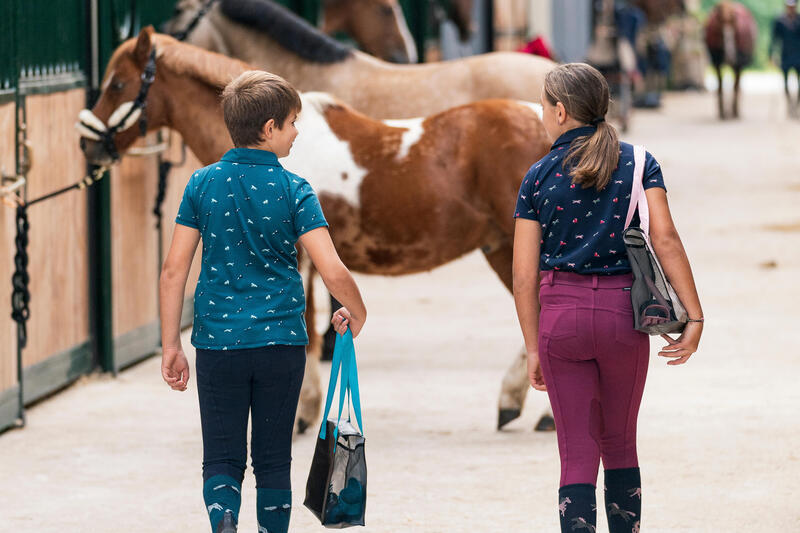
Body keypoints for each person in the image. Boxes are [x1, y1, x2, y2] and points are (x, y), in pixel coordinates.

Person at [158, 70, 367, 533]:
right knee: (273, 458)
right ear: (270, 129)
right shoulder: (295, 191)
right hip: (280, 345)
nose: (297, 132)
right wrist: (359, 310)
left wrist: (171, 343)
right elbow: (331, 269)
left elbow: (174, 269)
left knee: (222, 455)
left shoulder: (201, 184)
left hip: (217, 344)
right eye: (293, 122)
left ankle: (224, 522)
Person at [512, 63, 703, 532]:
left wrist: (534, 346)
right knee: (620, 443)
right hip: (623, 316)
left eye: (542, 105)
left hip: (562, 319)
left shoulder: (536, 177)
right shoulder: (640, 162)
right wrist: (693, 315)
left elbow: (523, 275)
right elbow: (667, 239)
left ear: (559, 111)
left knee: (577, 451)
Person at [770, 0, 800, 117]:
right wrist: (771, 54)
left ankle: (796, 105)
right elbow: (774, 39)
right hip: (785, 55)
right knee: (786, 82)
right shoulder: (780, 21)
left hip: (798, 55)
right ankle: (789, 104)